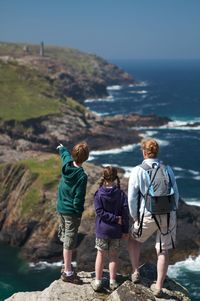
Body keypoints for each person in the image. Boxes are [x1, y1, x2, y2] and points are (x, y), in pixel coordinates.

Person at [128, 138, 179, 297]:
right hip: (168, 214)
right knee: (163, 250)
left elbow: (131, 198)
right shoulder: (168, 169)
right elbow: (175, 194)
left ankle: (136, 272)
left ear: (144, 152)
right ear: (157, 152)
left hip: (148, 215)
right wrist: (172, 211)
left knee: (133, 239)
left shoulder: (138, 170)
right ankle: (158, 286)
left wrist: (135, 217)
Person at [91, 166, 129, 292]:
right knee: (113, 256)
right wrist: (125, 230)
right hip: (116, 231)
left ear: (104, 177)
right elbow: (125, 214)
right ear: (115, 177)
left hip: (102, 231)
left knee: (100, 255)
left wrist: (112, 218)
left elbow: (99, 212)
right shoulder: (121, 194)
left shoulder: (99, 193)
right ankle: (112, 282)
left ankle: (97, 281)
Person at [56, 141, 89, 283]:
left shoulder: (67, 164)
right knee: (69, 242)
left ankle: (65, 264)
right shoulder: (82, 176)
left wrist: (61, 148)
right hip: (71, 212)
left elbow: (64, 155)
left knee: (65, 236)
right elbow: (78, 198)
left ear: (73, 155)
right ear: (86, 158)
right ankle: (68, 272)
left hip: (61, 208)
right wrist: (79, 211)